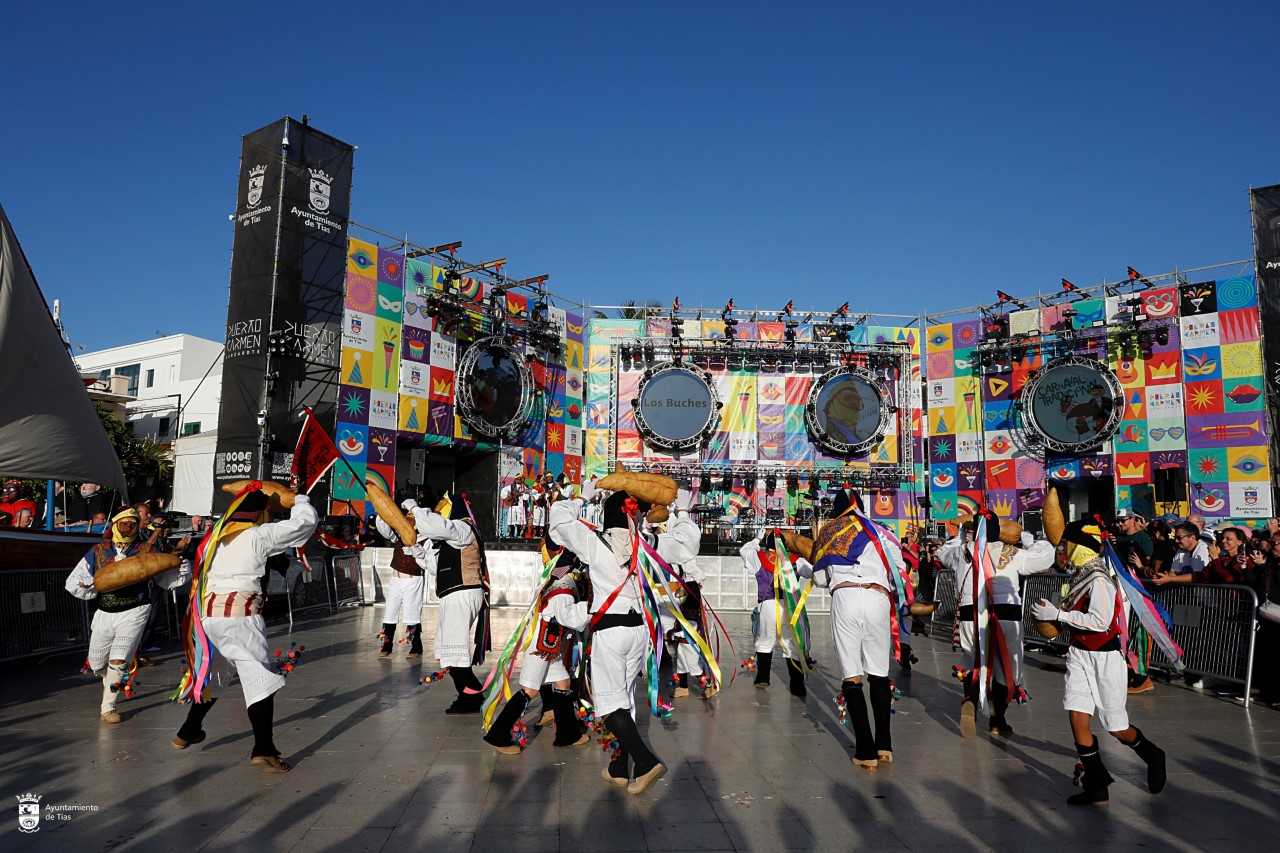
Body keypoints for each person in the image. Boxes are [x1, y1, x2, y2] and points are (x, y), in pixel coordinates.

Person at [546, 482, 700, 794]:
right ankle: (619, 767)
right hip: (640, 633)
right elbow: (686, 545)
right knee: (625, 698)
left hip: (611, 632)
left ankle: (644, 762)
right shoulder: (648, 542)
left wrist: (579, 497)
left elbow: (559, 524)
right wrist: (682, 512)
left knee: (608, 703)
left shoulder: (595, 542)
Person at [171, 484, 317, 771]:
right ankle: (263, 748)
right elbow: (303, 525)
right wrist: (300, 500)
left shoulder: (215, 540)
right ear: (258, 514)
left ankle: (188, 730)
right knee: (260, 680)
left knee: (216, 673)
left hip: (210, 618)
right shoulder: (256, 536)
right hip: (240, 615)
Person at [1031, 519, 1167, 806]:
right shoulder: (1082, 575)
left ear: (1080, 545)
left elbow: (1100, 622)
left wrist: (1059, 616)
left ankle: (1153, 754)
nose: (1064, 548)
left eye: (1068, 542)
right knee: (1077, 714)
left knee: (1115, 726)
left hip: (1105, 658)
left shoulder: (1101, 580)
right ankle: (1096, 784)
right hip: (1079, 653)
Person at [64, 508, 191, 724]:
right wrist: (91, 585)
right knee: (96, 664)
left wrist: (179, 563)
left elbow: (165, 578)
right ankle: (113, 680)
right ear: (114, 525)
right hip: (105, 612)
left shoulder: (145, 550)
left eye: (133, 523)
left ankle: (108, 706)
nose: (129, 527)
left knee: (119, 659)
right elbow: (75, 580)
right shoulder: (98, 551)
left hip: (135, 609)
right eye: (124, 523)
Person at [808, 491, 903, 771]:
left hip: (846, 598)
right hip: (878, 597)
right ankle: (884, 745)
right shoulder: (882, 531)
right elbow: (899, 570)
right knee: (879, 673)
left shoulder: (830, 532)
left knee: (852, 674)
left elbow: (820, 578)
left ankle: (865, 750)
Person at [938, 511, 1055, 737]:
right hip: (1006, 616)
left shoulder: (962, 553)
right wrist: (1028, 538)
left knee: (972, 661)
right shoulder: (1012, 553)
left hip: (970, 615)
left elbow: (942, 552)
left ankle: (969, 701)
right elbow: (1046, 555)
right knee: (1007, 669)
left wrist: (961, 536)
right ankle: (997, 719)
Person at [483, 541, 589, 753]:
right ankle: (498, 734)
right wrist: (594, 608)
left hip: (551, 646)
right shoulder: (564, 588)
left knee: (563, 682)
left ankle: (567, 734)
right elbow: (570, 618)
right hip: (542, 647)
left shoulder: (556, 578)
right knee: (530, 689)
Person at [412, 494, 491, 714]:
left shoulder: (462, 528)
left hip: (462, 594)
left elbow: (436, 526)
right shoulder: (454, 536)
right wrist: (417, 551)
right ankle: (470, 694)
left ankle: (471, 697)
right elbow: (437, 568)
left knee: (455, 650)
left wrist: (417, 510)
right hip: (456, 594)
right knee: (448, 648)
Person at [741, 531, 811, 697]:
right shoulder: (795, 560)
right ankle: (797, 685)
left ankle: (762, 678)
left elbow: (744, 550)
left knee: (765, 640)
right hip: (791, 606)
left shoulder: (759, 557)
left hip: (767, 605)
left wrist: (757, 537)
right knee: (791, 643)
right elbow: (813, 571)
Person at [373, 499, 432, 658]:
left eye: (413, 519)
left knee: (412, 613)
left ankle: (416, 645)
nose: (410, 521)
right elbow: (385, 529)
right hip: (396, 579)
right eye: (408, 518)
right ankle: (387, 643)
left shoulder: (427, 539)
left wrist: (416, 552)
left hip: (413, 580)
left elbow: (428, 563)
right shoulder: (399, 534)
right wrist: (383, 512)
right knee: (390, 611)